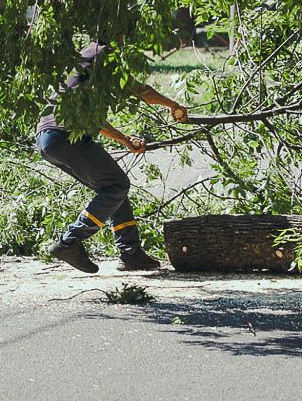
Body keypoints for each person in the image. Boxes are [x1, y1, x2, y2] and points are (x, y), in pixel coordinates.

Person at [36, 42, 189, 274]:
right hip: (66, 136)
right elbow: (138, 89)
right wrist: (173, 105)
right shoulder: (102, 54)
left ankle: (131, 253)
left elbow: (94, 119)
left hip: (48, 139)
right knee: (117, 185)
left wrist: (126, 141)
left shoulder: (84, 62)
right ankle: (69, 242)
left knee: (113, 188)